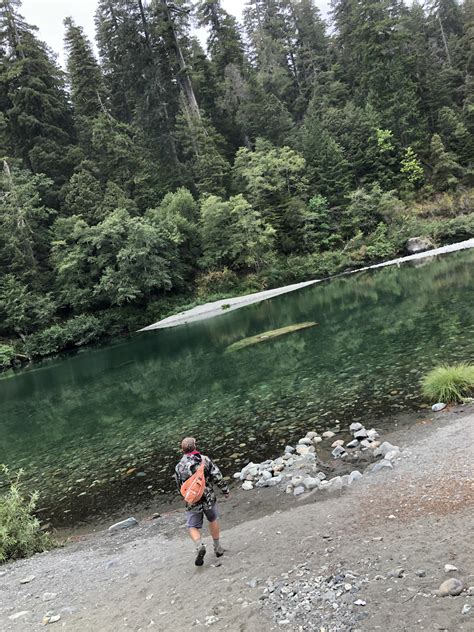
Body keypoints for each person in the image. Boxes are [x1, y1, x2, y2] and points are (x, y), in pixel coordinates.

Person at [175, 437, 229, 566]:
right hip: (208, 497)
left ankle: (199, 545)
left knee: (192, 526)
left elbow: (180, 486)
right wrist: (225, 490)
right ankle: (217, 548)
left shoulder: (179, 466)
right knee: (212, 519)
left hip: (192, 500)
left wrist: (186, 497)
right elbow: (217, 476)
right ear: (195, 446)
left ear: (182, 449)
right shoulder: (204, 460)